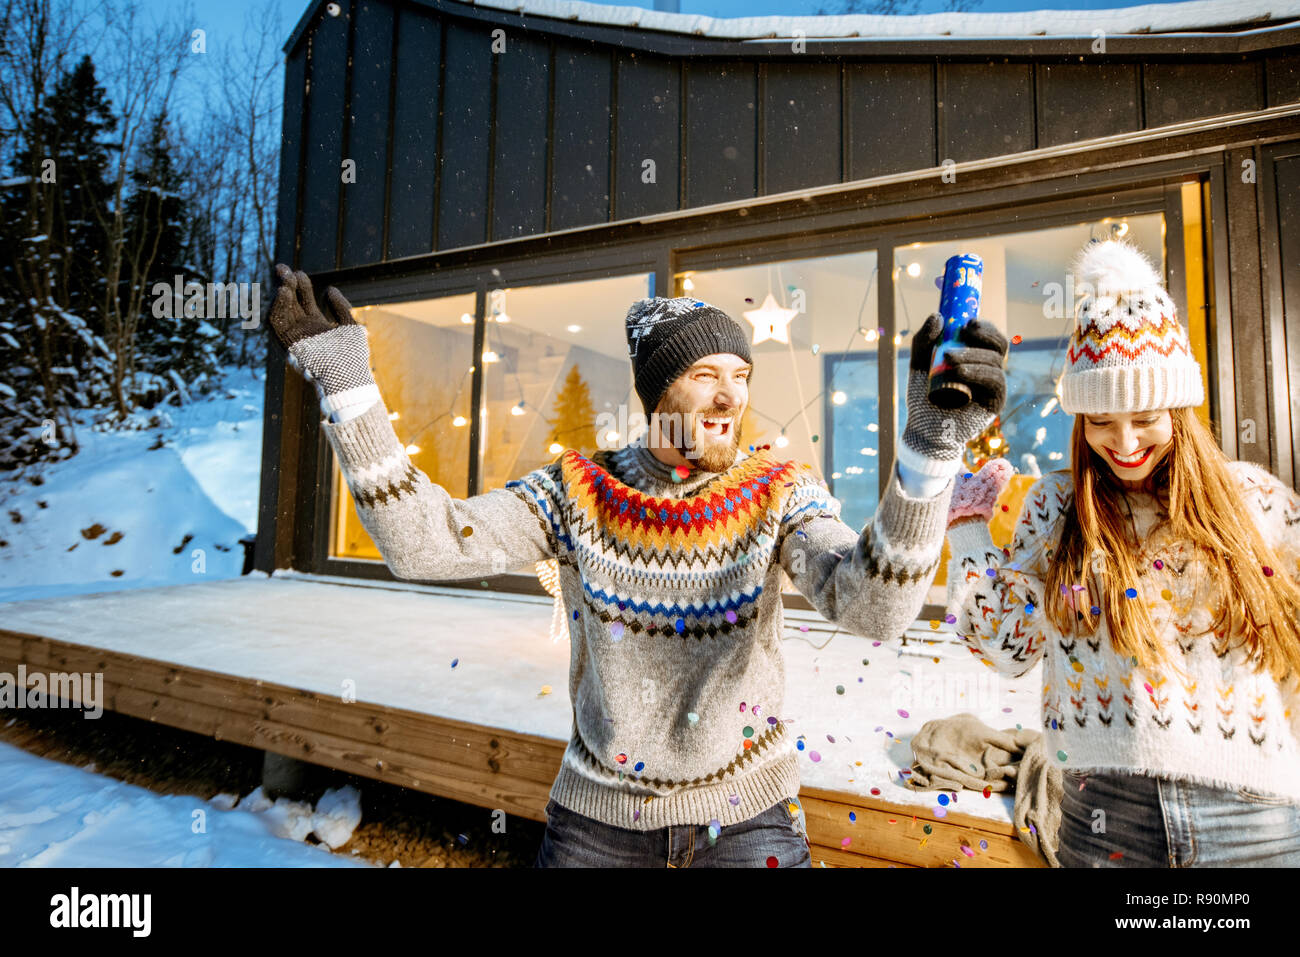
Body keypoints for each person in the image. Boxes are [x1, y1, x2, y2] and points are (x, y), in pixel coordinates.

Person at [267, 264, 1008, 868]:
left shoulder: (781, 491)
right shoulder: (577, 490)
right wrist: (350, 387)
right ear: (658, 391)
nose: (731, 396)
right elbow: (426, 539)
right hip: (599, 826)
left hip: (747, 819)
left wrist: (930, 454)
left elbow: (872, 606)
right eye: (705, 374)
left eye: (742, 375)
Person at [945, 239, 1300, 867]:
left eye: (1144, 417)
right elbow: (1007, 650)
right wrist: (970, 531)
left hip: (1255, 819)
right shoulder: (1059, 510)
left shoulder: (1259, 502)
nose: (1124, 441)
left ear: (1180, 410)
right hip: (1104, 811)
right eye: (1101, 421)